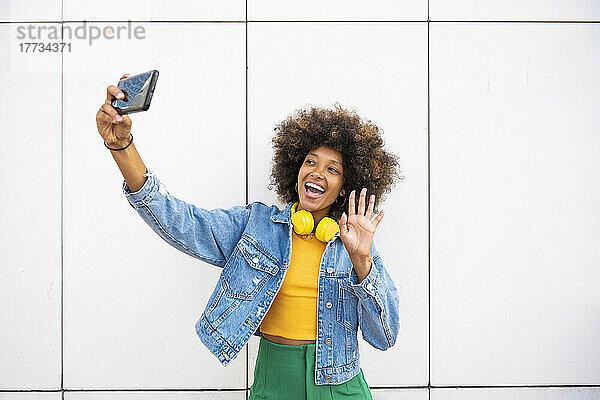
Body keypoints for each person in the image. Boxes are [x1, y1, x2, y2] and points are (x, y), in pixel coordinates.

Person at [96, 74, 402, 399]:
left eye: (332, 169)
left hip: (340, 386)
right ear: (295, 169)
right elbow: (181, 222)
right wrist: (122, 148)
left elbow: (385, 336)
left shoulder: (354, 247)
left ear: (345, 186)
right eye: (310, 162)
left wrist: (362, 261)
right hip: (273, 381)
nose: (316, 172)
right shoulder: (256, 226)